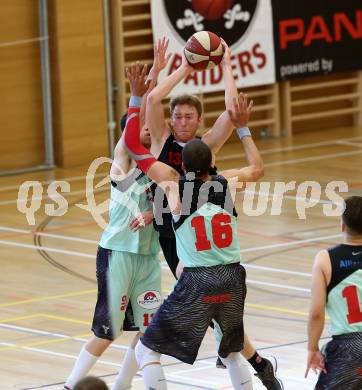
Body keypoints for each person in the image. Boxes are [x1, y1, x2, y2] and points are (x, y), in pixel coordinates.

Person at [145, 43, 283, 390]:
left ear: (199, 121)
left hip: (194, 237)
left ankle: (248, 360)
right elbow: (151, 101)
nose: (181, 121)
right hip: (165, 230)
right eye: (177, 116)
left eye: (189, 116)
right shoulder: (161, 138)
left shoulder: (206, 146)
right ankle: (252, 361)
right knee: (216, 311)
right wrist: (188, 66)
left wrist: (227, 66)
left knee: (205, 305)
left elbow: (232, 112)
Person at [123, 92, 257, 389]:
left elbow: (133, 144)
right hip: (233, 276)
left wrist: (135, 101)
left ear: (180, 164)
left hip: (196, 278)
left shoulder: (172, 188)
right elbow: (257, 168)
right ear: (213, 161)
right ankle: (259, 368)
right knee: (231, 352)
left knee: (146, 349)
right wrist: (244, 129)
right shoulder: (226, 184)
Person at [63, 40, 170, 390]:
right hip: (117, 254)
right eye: (141, 127)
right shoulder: (122, 161)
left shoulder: (155, 163)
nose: (149, 131)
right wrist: (136, 96)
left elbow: (154, 113)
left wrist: (156, 73)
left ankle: (122, 385)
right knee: (106, 332)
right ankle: (71, 385)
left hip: (147, 258)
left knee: (148, 331)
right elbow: (132, 130)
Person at [306, 196, 362, 389]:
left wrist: (312, 349)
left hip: (348, 349)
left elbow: (316, 314)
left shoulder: (325, 260)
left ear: (342, 225)